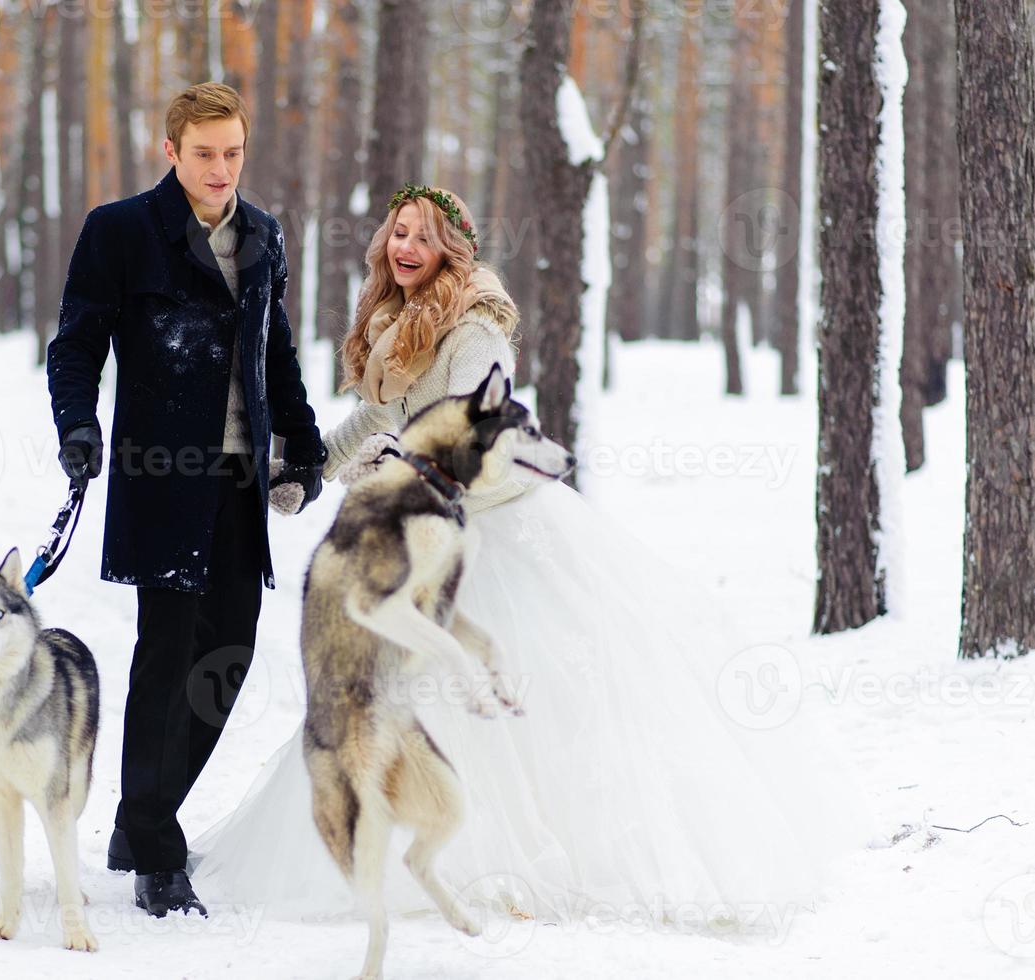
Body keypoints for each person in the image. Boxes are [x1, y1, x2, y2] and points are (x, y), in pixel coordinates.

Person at [193, 183, 871, 928]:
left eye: (423, 237)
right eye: (398, 233)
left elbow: (481, 453)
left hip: (491, 531)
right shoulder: (398, 324)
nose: (406, 248)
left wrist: (393, 478)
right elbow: (375, 419)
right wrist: (308, 472)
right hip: (429, 526)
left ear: (454, 248)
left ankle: (505, 863)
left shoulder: (474, 325)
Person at [47, 82, 327, 918]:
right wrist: (77, 429)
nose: (219, 167)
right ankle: (156, 853)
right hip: (160, 474)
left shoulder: (263, 236)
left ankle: (141, 820)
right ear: (170, 151)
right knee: (166, 657)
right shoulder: (121, 231)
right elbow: (74, 347)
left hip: (239, 483)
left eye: (233, 152)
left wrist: (304, 447)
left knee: (227, 658)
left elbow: (275, 353)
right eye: (203, 152)